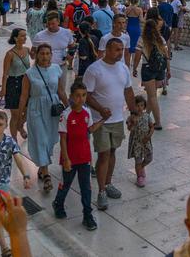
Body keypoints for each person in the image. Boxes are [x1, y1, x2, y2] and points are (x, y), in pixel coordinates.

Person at [83, 37, 135, 211]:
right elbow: (86, 95)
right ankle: (101, 191)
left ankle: (108, 182)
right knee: (104, 154)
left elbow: (128, 91)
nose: (120, 53)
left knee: (112, 151)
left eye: (122, 49)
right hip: (101, 121)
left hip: (117, 119)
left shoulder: (123, 68)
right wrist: (100, 109)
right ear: (107, 50)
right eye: (117, 49)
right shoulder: (94, 69)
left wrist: (133, 113)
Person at [54, 81, 104, 230]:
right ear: (71, 97)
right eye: (77, 96)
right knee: (66, 184)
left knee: (86, 188)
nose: (81, 99)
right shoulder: (66, 115)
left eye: (84, 95)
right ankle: (58, 203)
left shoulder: (87, 112)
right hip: (70, 158)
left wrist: (103, 120)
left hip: (84, 157)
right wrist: (66, 159)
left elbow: (90, 129)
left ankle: (87, 215)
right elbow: (63, 139)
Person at [0, 111, 32, 256]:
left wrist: (26, 175)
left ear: (5, 126)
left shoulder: (10, 142)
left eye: (0, 124)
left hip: (4, 185)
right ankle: (5, 248)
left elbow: (18, 159)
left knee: (4, 216)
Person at [19, 43, 67, 194]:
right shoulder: (29, 73)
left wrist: (69, 108)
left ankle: (42, 167)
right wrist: (20, 117)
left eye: (47, 53)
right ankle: (46, 175)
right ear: (37, 55)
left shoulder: (56, 69)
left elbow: (61, 91)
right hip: (36, 109)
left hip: (53, 109)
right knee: (41, 140)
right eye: (42, 54)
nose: (45, 56)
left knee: (51, 139)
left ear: (51, 55)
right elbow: (24, 96)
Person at [136, 18, 168, 129]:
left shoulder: (142, 39)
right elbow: (166, 56)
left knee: (152, 96)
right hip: (160, 70)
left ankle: (158, 123)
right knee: (151, 96)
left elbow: (138, 54)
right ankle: (146, 116)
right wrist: (168, 70)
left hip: (148, 69)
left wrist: (134, 68)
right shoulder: (161, 39)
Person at [0, 28, 31, 140]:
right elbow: (5, 73)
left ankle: (20, 126)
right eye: (22, 36)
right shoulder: (10, 54)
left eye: (25, 35)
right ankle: (14, 139)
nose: (25, 38)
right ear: (16, 38)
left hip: (26, 82)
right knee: (15, 114)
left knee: (27, 110)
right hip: (13, 83)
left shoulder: (27, 50)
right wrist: (3, 89)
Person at [126, 94, 154, 187]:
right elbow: (129, 128)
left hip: (146, 141)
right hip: (136, 143)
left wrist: (149, 136)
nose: (139, 108)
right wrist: (132, 123)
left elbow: (152, 127)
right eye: (137, 106)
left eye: (141, 105)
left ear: (144, 106)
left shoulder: (147, 116)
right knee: (138, 160)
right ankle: (139, 177)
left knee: (149, 157)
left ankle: (141, 167)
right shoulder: (131, 118)